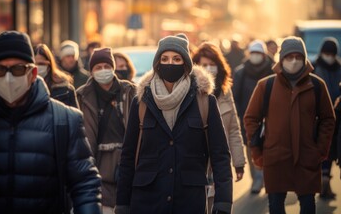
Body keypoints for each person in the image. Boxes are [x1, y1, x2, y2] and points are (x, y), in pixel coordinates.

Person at [0, 31, 102, 213]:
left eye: (18, 69)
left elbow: (84, 183)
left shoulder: (65, 119)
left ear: (33, 72)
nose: (8, 78)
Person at [115, 34, 232, 214]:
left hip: (189, 201)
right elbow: (128, 156)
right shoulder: (141, 102)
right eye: (165, 58)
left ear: (186, 64)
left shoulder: (204, 101)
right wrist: (122, 203)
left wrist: (223, 201)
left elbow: (220, 155)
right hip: (147, 202)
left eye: (177, 59)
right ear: (157, 63)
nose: (170, 63)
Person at [244, 36, 335, 214]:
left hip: (307, 157)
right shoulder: (266, 86)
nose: (294, 61)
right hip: (276, 158)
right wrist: (257, 151)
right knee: (276, 206)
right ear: (281, 58)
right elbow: (251, 118)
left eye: (298, 57)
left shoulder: (317, 85)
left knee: (308, 205)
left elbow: (328, 119)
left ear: (304, 58)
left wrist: (321, 149)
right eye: (289, 57)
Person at [77, 47, 136, 214]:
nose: (103, 70)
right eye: (98, 67)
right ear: (91, 71)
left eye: (106, 66)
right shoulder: (82, 96)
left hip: (126, 168)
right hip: (97, 169)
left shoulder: (129, 91)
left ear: (113, 67)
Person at [192, 41, 246, 179]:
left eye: (212, 65)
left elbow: (234, 128)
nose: (208, 69)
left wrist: (238, 163)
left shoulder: (225, 92)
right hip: (194, 164)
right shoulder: (189, 92)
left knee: (221, 199)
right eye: (204, 65)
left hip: (220, 163)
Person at [232, 39, 273, 194]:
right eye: (253, 53)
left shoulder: (272, 70)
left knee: (268, 148)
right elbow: (235, 96)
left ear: (263, 54)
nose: (255, 56)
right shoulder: (240, 72)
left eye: (258, 53)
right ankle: (256, 178)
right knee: (251, 148)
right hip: (247, 118)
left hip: (269, 117)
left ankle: (264, 177)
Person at [312, 37, 341, 199]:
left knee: (330, 150)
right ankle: (319, 183)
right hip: (316, 116)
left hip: (336, 116)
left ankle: (325, 183)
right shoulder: (314, 67)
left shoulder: (339, 67)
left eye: (331, 53)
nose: (328, 56)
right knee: (318, 149)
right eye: (326, 53)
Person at [34, 43, 79, 108]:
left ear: (49, 65)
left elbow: (76, 116)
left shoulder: (65, 89)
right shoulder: (23, 88)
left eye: (41, 64)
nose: (37, 67)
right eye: (34, 64)